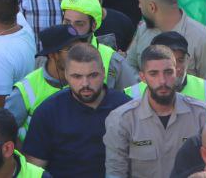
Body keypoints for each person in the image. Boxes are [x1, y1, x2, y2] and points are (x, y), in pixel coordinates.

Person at [20, 42, 130, 178]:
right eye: (77, 76)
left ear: (103, 72)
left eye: (93, 75)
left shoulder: (126, 109)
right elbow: (34, 170)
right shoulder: (47, 113)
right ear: (66, 74)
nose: (85, 84)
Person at [104, 44, 206, 178]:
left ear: (177, 72)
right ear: (143, 77)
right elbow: (116, 173)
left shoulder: (202, 114)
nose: (162, 81)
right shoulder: (122, 120)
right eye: (153, 74)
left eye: (168, 72)